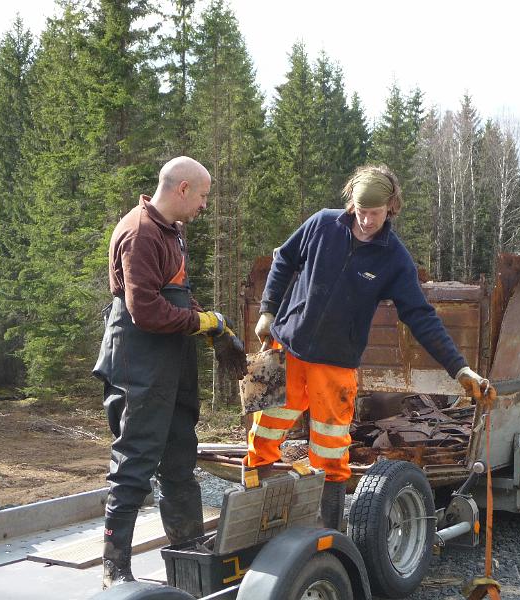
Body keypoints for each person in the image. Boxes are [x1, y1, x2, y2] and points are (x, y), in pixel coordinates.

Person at [244, 164, 495, 530]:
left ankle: (328, 535)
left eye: (374, 213)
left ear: (391, 207)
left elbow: (421, 317)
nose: (365, 220)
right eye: (360, 211)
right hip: (283, 348)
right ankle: (251, 522)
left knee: (330, 453)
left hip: (335, 364)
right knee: (262, 433)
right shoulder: (322, 224)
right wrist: (268, 310)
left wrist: (459, 369)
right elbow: (284, 257)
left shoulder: (394, 258)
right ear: (351, 203)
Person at [93, 156, 247, 589]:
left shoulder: (172, 231)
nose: (204, 206)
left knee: (180, 452)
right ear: (182, 189)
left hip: (172, 359)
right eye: (202, 196)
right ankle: (115, 567)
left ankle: (188, 545)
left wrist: (214, 325)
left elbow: (174, 295)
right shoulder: (140, 232)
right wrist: (204, 323)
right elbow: (145, 310)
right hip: (140, 359)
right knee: (135, 460)